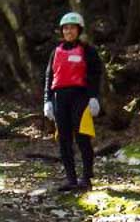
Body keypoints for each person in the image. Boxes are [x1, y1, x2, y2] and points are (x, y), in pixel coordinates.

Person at [43, 11, 103, 192]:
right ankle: (71, 179)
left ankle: (86, 178)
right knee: (64, 139)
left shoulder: (88, 50)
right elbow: (49, 76)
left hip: (80, 96)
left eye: (72, 28)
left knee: (82, 137)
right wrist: (47, 100)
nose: (69, 31)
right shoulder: (56, 51)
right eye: (66, 28)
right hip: (59, 97)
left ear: (79, 30)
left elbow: (94, 75)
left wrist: (94, 97)